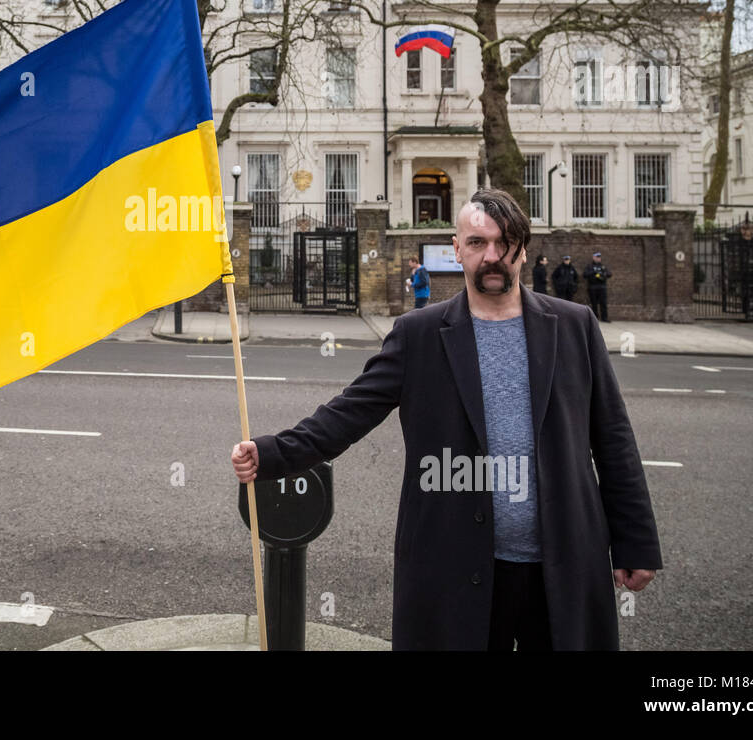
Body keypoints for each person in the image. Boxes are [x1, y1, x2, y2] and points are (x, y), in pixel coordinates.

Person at [230, 188, 660, 650]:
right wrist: (274, 453)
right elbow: (349, 413)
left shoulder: (574, 326)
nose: (491, 256)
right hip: (457, 565)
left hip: (562, 561)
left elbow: (613, 439)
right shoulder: (419, 335)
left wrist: (635, 541)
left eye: (505, 242)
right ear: (457, 249)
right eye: (477, 243)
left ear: (524, 248)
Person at [584, 251, 611, 323]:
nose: (598, 259)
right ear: (593, 257)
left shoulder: (603, 266)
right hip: (593, 287)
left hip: (602, 287)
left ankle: (604, 317)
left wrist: (602, 274)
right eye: (597, 257)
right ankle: (595, 318)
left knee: (603, 303)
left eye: (599, 257)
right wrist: (594, 272)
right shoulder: (590, 266)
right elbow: (585, 275)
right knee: (594, 303)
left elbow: (609, 274)